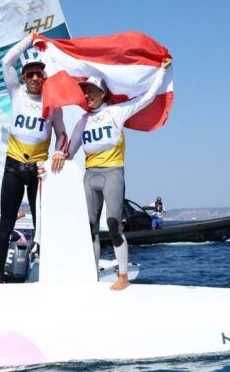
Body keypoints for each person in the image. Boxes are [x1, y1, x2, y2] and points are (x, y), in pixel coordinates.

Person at [66, 59, 172, 290]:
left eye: (92, 91)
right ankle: (92, 274)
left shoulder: (116, 112)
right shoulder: (82, 121)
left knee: (114, 224)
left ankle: (122, 276)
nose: (88, 95)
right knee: (89, 227)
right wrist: (55, 156)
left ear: (103, 93)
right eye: (85, 91)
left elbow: (145, 98)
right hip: (90, 176)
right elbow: (68, 152)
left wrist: (162, 73)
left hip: (112, 173)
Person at [0, 34, 67, 283]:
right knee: (6, 223)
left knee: (42, 225)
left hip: (38, 171)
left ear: (44, 77)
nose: (35, 78)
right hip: (13, 167)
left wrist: (58, 152)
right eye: (30, 74)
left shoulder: (53, 104)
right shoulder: (17, 94)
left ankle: (48, 271)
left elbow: (62, 134)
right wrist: (30, 39)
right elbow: (6, 62)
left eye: (39, 74)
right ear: (24, 78)